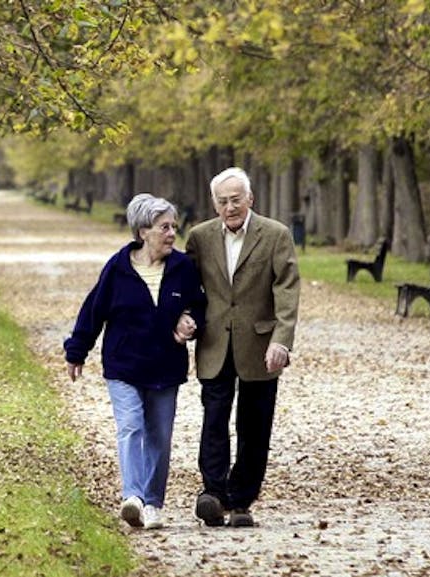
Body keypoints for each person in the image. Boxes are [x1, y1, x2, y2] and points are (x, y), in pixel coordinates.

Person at [64, 193, 207, 530]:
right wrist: (76, 350)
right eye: (164, 227)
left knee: (159, 436)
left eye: (174, 226)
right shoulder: (118, 267)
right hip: (124, 364)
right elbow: (93, 310)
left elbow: (201, 306)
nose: (172, 233)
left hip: (165, 366)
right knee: (131, 427)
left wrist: (190, 319)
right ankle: (133, 497)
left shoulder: (183, 268)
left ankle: (153, 503)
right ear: (143, 231)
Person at [184, 167, 301, 528]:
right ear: (214, 204)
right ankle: (214, 494)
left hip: (261, 344)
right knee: (214, 419)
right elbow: (188, 286)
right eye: (223, 201)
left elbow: (287, 289)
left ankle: (241, 500)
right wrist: (184, 316)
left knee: (255, 424)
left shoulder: (276, 235)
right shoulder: (200, 237)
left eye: (236, 199)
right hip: (215, 342)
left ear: (250, 199)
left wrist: (282, 340)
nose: (230, 207)